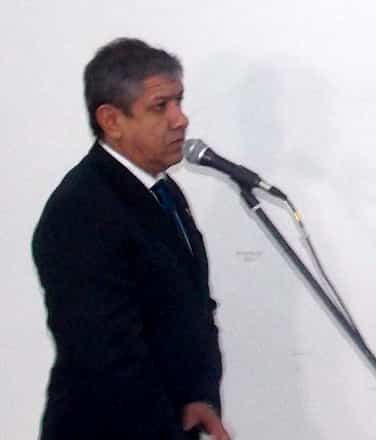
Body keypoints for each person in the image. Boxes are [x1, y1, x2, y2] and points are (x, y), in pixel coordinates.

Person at [32, 38, 229, 440]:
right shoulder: (81, 210)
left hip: (171, 420)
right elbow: (105, 355)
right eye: (160, 106)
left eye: (179, 101)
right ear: (111, 120)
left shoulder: (163, 191)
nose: (180, 119)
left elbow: (192, 307)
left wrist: (200, 394)